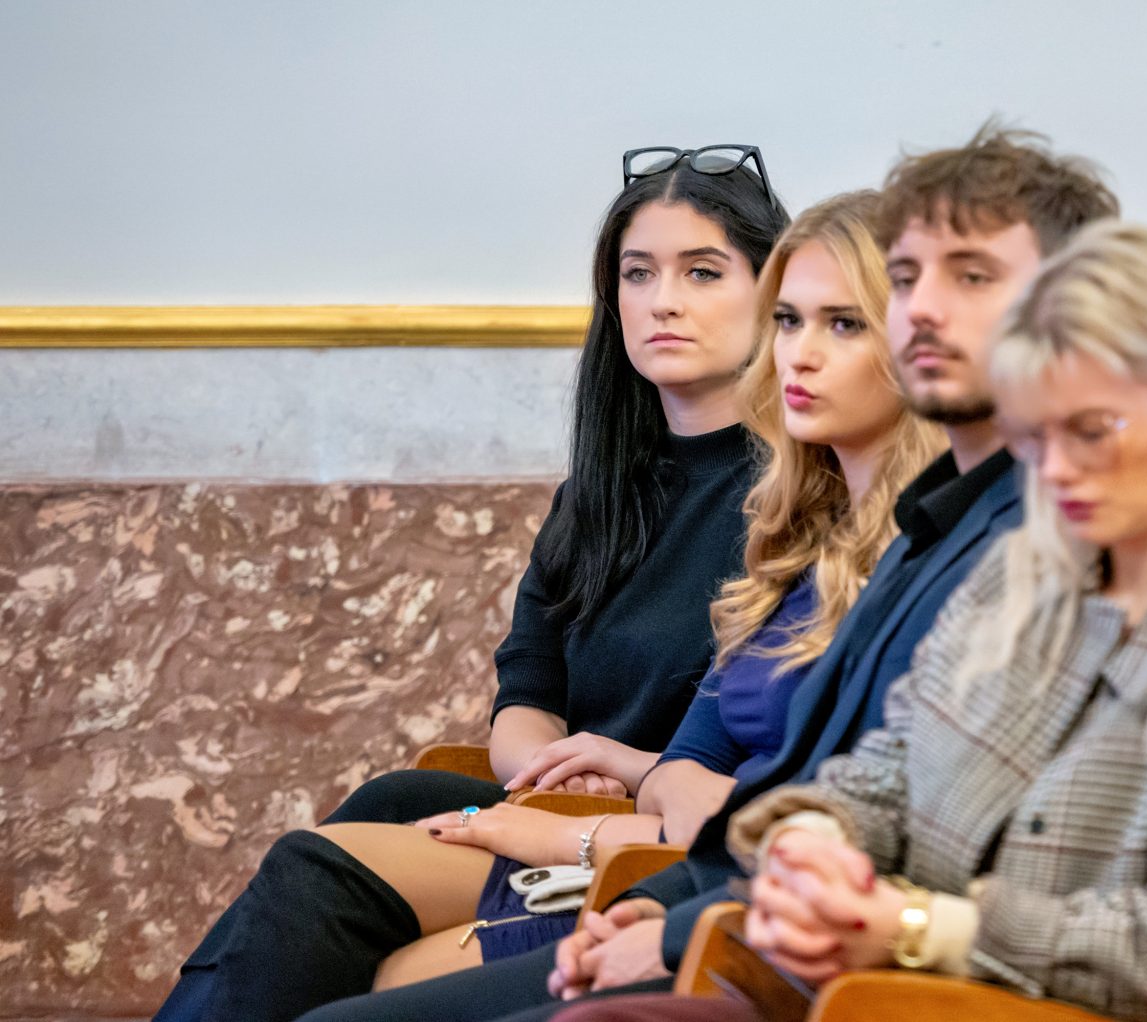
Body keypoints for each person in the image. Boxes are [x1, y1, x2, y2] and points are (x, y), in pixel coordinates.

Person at [291, 126, 1121, 1022]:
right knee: (359, 875)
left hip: (814, 950)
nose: (803, 351)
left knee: (349, 954)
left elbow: (873, 837)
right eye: (792, 321)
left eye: (846, 321)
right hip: (704, 889)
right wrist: (649, 887)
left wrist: (608, 851)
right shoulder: (851, 533)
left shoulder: (1006, 547)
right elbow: (778, 795)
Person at [154, 145, 790, 1022]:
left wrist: (625, 779)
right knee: (381, 807)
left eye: (703, 272)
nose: (663, 300)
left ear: (773, 294)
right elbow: (526, 691)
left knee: (317, 879)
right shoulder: (600, 494)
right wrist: (556, 769)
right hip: (566, 805)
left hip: (668, 845)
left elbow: (771, 758)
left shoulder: (796, 500)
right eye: (638, 273)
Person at [712, 221, 1147, 1022]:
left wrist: (923, 929)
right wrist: (814, 845)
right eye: (1033, 436)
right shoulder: (1016, 577)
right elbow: (891, 767)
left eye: (1091, 430)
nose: (1054, 470)